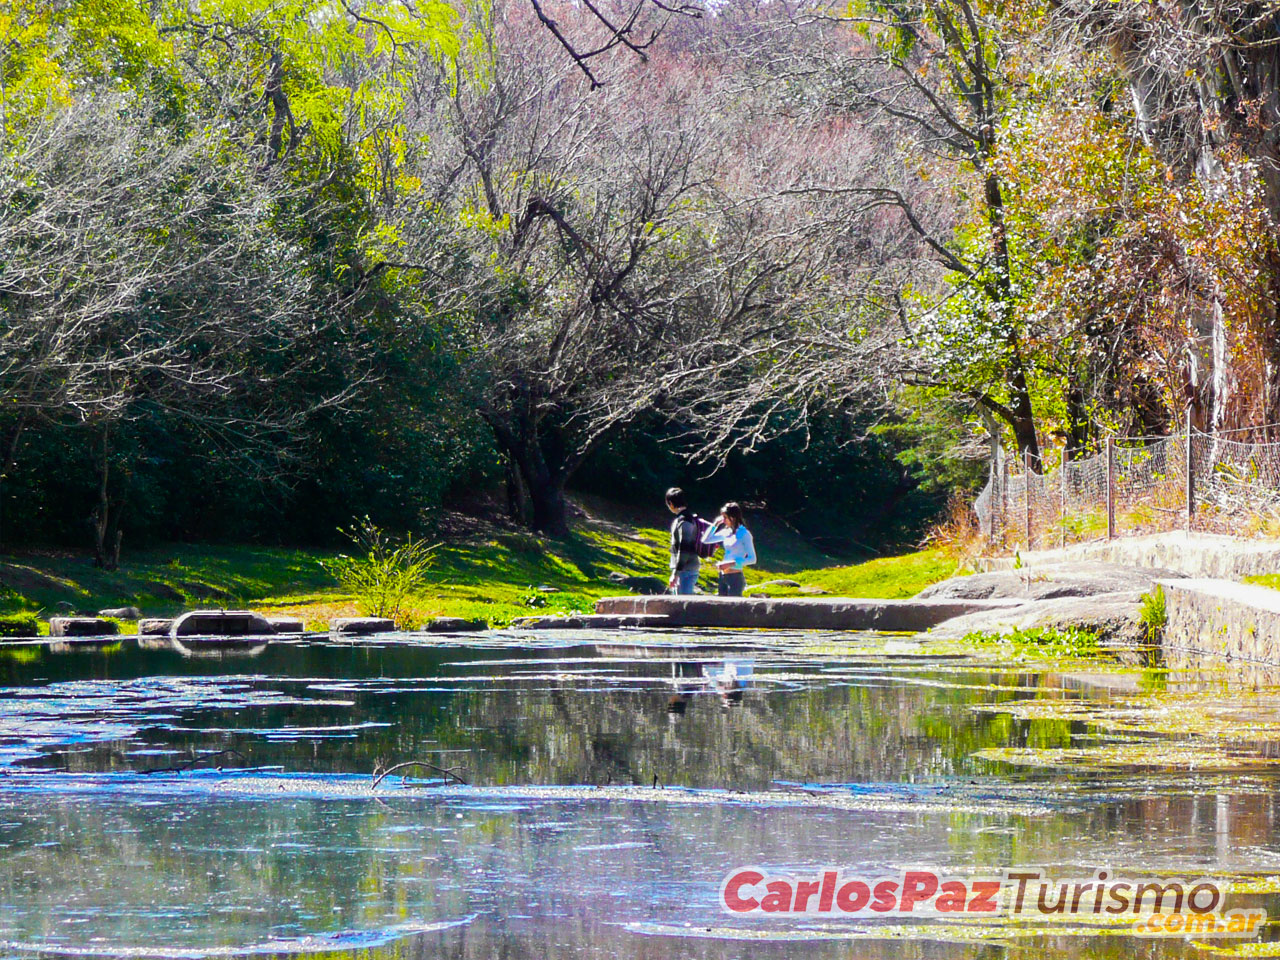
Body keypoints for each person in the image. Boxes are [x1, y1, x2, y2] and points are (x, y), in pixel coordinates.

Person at [701, 502, 756, 597]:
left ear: (733, 517)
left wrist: (731, 563)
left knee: (733, 608)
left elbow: (752, 559)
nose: (723, 520)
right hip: (723, 576)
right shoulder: (726, 532)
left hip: (735, 577)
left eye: (725, 517)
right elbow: (705, 540)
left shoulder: (744, 534)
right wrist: (715, 524)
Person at [665, 487, 701, 595]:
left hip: (685, 569)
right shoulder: (688, 518)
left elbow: (684, 547)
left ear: (671, 503)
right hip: (687, 567)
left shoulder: (684, 521)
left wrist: (676, 573)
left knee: (682, 605)